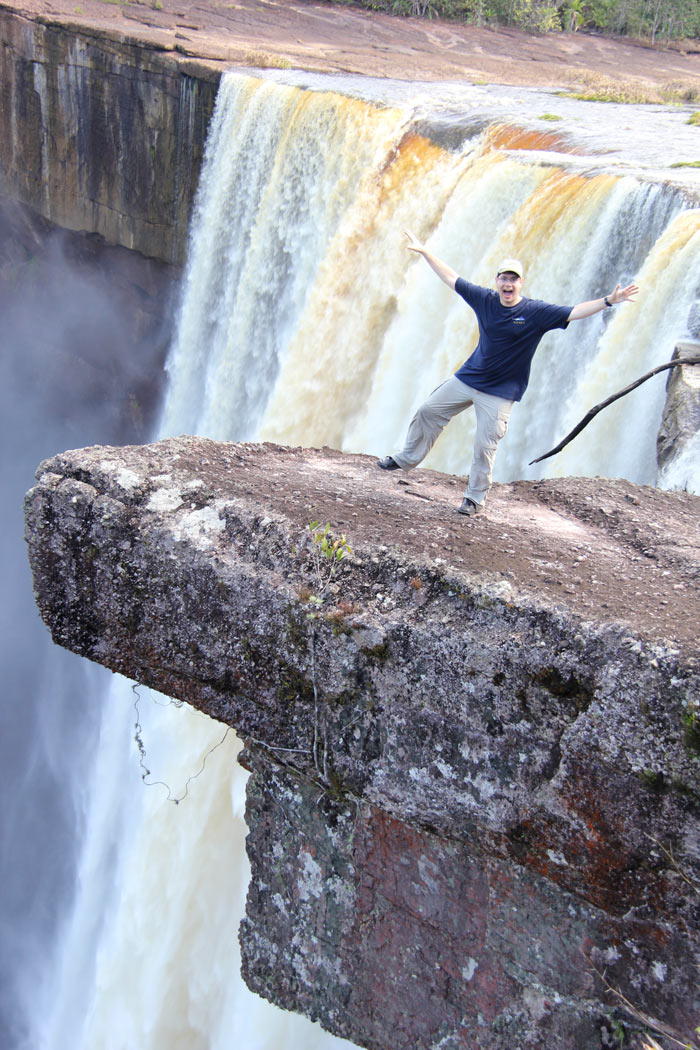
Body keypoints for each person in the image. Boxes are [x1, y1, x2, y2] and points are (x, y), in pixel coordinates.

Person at [376, 230, 639, 516]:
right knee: (428, 411)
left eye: (513, 279)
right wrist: (426, 253)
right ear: (497, 281)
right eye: (504, 278)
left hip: (499, 394)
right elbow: (451, 278)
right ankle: (405, 459)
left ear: (521, 283)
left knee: (484, 446)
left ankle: (474, 499)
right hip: (468, 378)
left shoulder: (536, 312)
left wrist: (609, 300)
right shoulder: (485, 299)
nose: (508, 284)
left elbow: (575, 311)